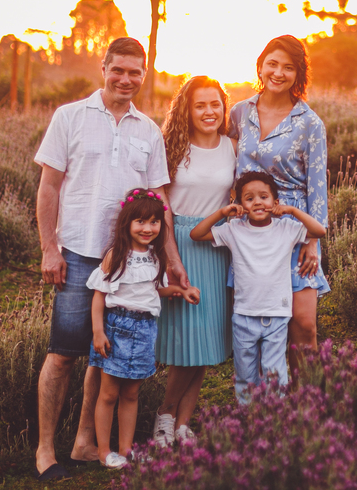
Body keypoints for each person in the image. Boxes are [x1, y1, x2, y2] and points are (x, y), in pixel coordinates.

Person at [32, 37, 188, 481]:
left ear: (144, 74)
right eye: (117, 70)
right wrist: (49, 248)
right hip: (80, 253)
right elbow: (48, 186)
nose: (126, 79)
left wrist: (170, 257)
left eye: (134, 72)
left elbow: (159, 199)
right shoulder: (70, 117)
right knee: (63, 354)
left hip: (130, 261)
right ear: (103, 68)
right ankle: (45, 451)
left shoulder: (148, 130)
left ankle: (84, 442)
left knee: (105, 358)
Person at [227, 35, 329, 377]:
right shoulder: (240, 113)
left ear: (298, 74)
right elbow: (225, 168)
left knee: (304, 325)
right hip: (250, 230)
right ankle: (261, 406)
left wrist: (313, 242)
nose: (278, 72)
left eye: (288, 67)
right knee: (255, 324)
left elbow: (317, 188)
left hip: (293, 227)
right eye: (272, 64)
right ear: (260, 66)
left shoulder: (309, 122)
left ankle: (308, 407)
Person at [190, 171, 327, 399]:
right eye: (249, 198)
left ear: (275, 202)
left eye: (264, 197)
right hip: (244, 315)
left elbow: (319, 231)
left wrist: (292, 211)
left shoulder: (286, 228)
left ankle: (274, 421)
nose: (257, 203)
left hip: (277, 315)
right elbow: (197, 234)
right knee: (245, 377)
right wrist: (223, 213)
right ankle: (249, 421)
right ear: (241, 204)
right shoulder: (234, 230)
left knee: (275, 375)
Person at [88, 189, 199, 468]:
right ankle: (104, 451)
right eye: (140, 222)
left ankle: (126, 449)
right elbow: (99, 296)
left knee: (131, 393)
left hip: (146, 330)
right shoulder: (116, 255)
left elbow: (153, 291)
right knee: (109, 393)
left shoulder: (156, 257)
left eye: (154, 222)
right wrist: (98, 332)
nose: (147, 228)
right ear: (127, 224)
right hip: (116, 328)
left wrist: (178, 291)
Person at [152, 76, 236, 446]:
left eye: (214, 104)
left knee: (205, 339)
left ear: (223, 107)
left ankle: (184, 424)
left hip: (216, 245)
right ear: (187, 109)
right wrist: (170, 251)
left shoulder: (233, 147)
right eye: (200, 105)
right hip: (179, 244)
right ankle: (164, 416)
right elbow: (162, 204)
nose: (208, 112)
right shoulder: (173, 146)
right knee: (185, 338)